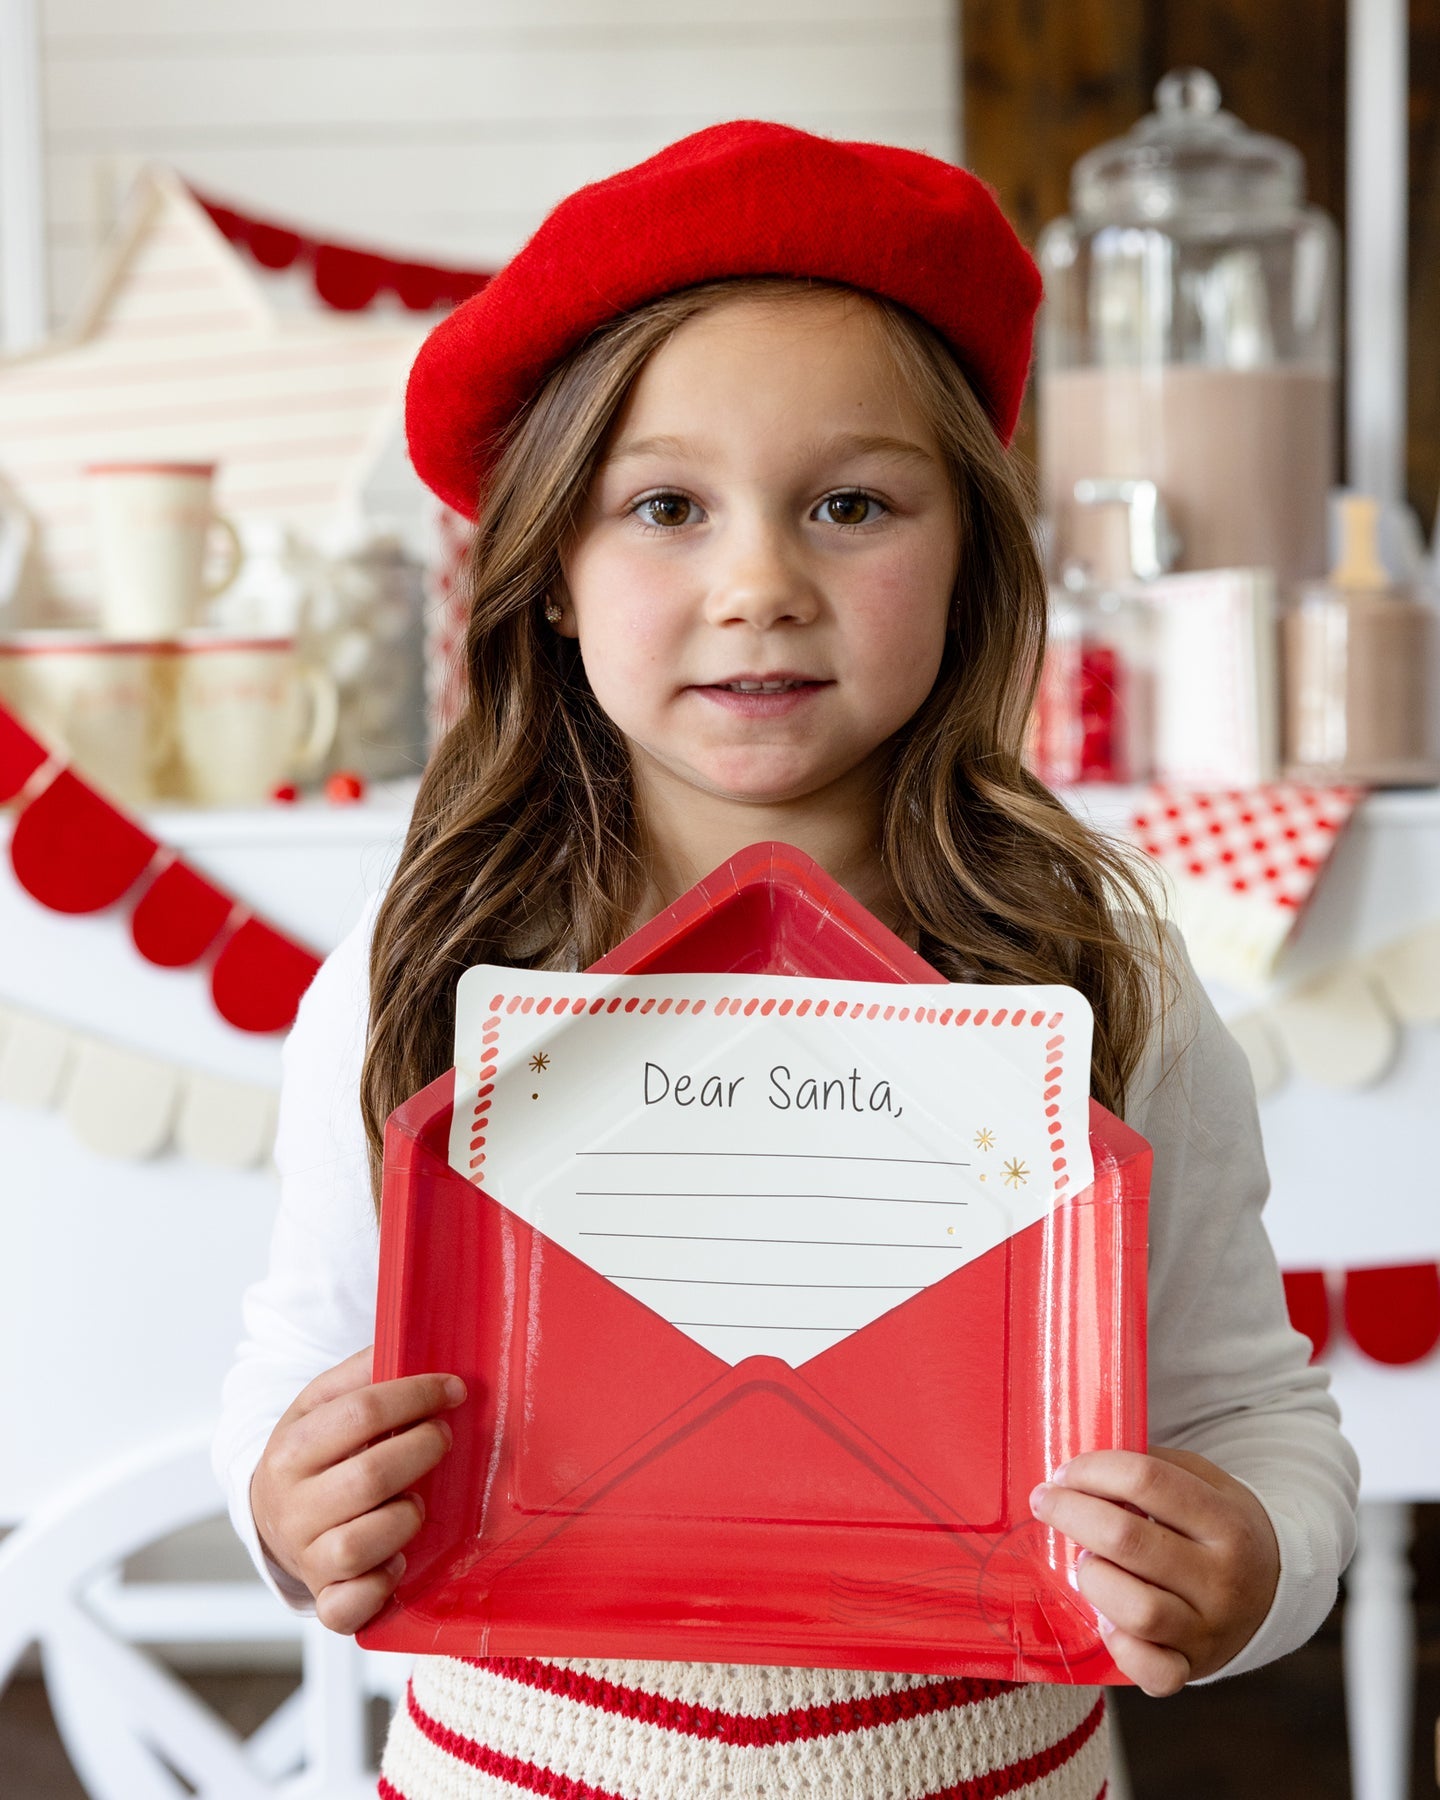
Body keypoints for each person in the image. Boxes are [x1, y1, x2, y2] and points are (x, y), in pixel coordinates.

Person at [215, 121, 1358, 1799]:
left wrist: (1252, 1560)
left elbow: (1256, 1414)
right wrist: (284, 1506)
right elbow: (289, 1367)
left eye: (850, 504)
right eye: (665, 505)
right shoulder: (421, 976)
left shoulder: (1093, 982)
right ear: (547, 574)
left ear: (969, 551)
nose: (760, 584)